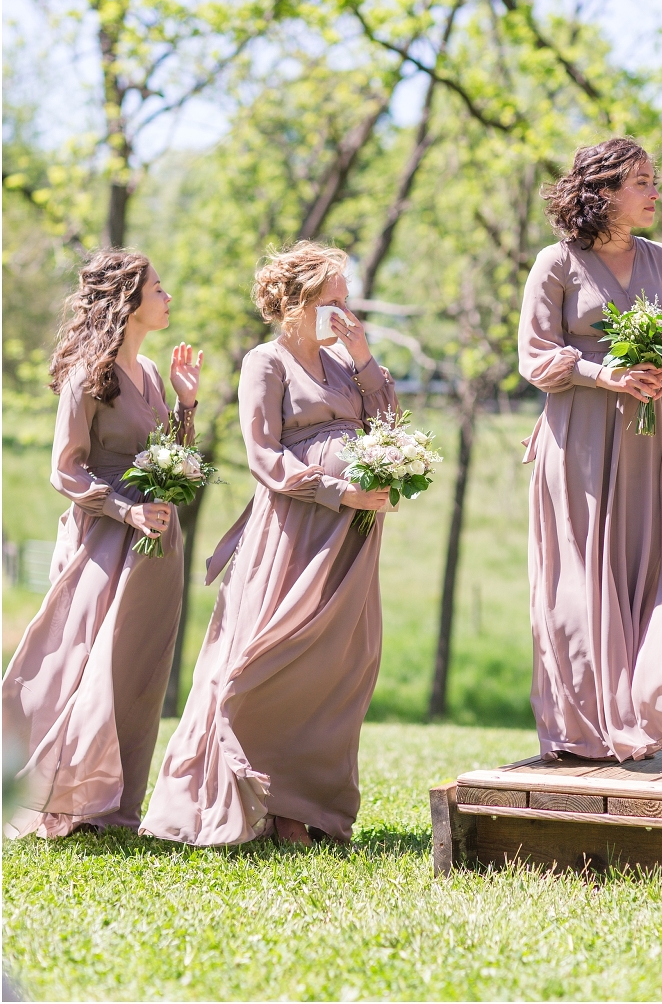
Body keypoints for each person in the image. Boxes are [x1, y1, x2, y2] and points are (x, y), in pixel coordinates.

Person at [141, 241, 396, 847]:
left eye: (347, 298)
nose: (346, 310)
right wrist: (338, 490)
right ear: (300, 302)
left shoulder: (346, 362)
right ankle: (269, 799)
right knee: (273, 657)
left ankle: (315, 801)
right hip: (296, 529)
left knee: (339, 665)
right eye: (335, 298)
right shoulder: (267, 361)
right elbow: (264, 455)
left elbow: (390, 425)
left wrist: (364, 361)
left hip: (352, 537)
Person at [3, 251, 202, 838]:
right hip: (102, 540)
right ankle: (61, 799)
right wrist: (124, 509)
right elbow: (66, 470)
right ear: (129, 300)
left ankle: (117, 809)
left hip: (155, 542)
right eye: (159, 289)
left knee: (139, 674)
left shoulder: (151, 376)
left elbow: (166, 455)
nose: (168, 298)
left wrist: (185, 403)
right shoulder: (89, 373)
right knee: (83, 668)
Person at [518, 137, 662, 763]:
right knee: (578, 582)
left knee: (643, 568)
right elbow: (535, 357)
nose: (655, 193)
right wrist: (608, 374)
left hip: (647, 440)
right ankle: (578, 731)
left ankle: (636, 707)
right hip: (579, 442)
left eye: (654, 181)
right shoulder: (556, 264)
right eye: (642, 182)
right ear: (603, 191)